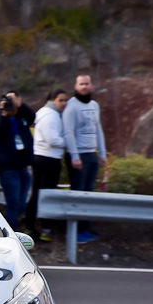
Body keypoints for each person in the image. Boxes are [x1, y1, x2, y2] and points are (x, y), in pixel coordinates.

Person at [63, 74, 107, 243]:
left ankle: (85, 228)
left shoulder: (95, 105)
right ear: (75, 86)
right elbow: (68, 132)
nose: (84, 87)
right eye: (81, 84)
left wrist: (102, 153)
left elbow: (98, 130)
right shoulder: (71, 107)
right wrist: (74, 156)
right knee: (78, 193)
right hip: (78, 155)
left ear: (92, 86)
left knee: (89, 193)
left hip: (92, 153)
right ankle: (75, 231)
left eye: (87, 84)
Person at [24, 89, 68, 241]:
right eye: (60, 100)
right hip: (48, 159)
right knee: (46, 195)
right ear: (53, 100)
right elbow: (52, 140)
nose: (64, 103)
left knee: (37, 193)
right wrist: (68, 141)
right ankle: (44, 229)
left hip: (40, 157)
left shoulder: (43, 112)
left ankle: (31, 226)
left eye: (65, 100)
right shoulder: (51, 115)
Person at [0, 90, 36, 231]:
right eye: (8, 99)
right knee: (13, 203)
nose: (10, 102)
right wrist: (4, 114)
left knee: (21, 203)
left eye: (13, 99)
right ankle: (11, 234)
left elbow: (32, 117)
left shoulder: (22, 116)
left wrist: (19, 105)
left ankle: (9, 227)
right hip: (8, 169)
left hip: (23, 166)